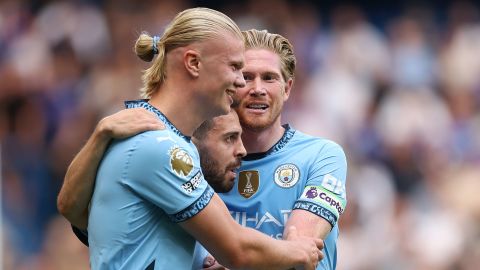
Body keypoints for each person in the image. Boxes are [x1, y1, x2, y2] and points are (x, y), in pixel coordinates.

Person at [57, 8, 323, 270]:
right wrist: (298, 251)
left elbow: (74, 210)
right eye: (234, 67)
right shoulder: (158, 146)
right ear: (194, 63)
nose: (241, 83)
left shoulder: (161, 138)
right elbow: (238, 250)